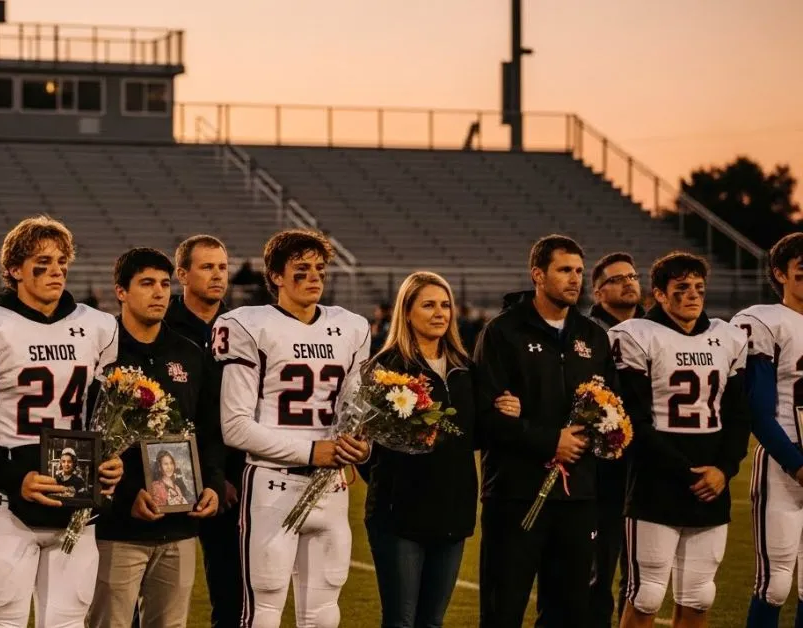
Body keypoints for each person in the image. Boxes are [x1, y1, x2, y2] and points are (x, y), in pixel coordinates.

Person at [0, 216, 124, 628]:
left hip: (77, 498)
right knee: (6, 623)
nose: (57, 269)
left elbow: (103, 417)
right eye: (43, 261)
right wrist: (12, 478)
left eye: (63, 261)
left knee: (67, 623)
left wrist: (111, 459)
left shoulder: (97, 326)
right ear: (14, 269)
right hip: (10, 499)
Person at [213, 229, 373, 628]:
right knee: (264, 609)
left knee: (324, 614)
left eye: (320, 269)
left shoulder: (350, 326)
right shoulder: (248, 324)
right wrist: (310, 451)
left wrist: (361, 445)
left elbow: (356, 414)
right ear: (276, 276)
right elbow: (234, 427)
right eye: (302, 270)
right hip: (272, 484)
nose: (315, 277)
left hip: (332, 488)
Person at [360, 272, 521, 628]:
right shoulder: (387, 369)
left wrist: (506, 411)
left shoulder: (466, 368)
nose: (440, 313)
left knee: (432, 621)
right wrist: (390, 482)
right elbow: (367, 445)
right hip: (399, 515)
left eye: (445, 304)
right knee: (401, 621)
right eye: (429, 305)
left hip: (453, 511)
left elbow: (473, 436)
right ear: (406, 311)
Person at [474, 234, 616, 628]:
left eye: (579, 272)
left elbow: (611, 411)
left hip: (577, 497)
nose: (575, 279)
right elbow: (485, 418)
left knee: (569, 613)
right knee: (503, 611)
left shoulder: (593, 337)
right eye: (564, 270)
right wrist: (550, 440)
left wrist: (594, 437)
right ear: (538, 274)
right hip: (516, 495)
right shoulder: (503, 332)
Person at [609, 252, 749, 628]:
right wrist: (687, 473)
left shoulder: (728, 336)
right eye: (682, 288)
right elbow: (634, 421)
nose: (692, 295)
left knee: (700, 593)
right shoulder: (636, 335)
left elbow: (738, 416)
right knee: (646, 594)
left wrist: (725, 469)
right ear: (658, 293)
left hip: (712, 482)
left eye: (699, 288)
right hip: (656, 481)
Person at [89, 247, 223, 628]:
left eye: (165, 284)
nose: (160, 292)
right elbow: (87, 435)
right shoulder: (101, 353)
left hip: (180, 525)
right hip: (117, 527)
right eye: (147, 283)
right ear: (121, 291)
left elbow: (210, 430)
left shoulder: (191, 354)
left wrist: (211, 482)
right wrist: (127, 494)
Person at [163, 234, 241, 628]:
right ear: (182, 274)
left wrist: (223, 476)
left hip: (229, 479)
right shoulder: (159, 326)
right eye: (206, 267)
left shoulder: (243, 327)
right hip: (165, 472)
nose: (217, 276)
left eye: (222, 267)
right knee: (157, 593)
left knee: (231, 591)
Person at [734, 233, 803, 627]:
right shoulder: (764, 320)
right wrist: (796, 464)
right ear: (779, 273)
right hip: (784, 461)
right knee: (775, 584)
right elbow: (758, 411)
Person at [583, 252, 644, 628]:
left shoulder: (656, 330)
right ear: (598, 291)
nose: (628, 282)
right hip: (601, 470)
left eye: (633, 276)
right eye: (617, 278)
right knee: (599, 569)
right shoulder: (587, 335)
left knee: (642, 574)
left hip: (648, 465)